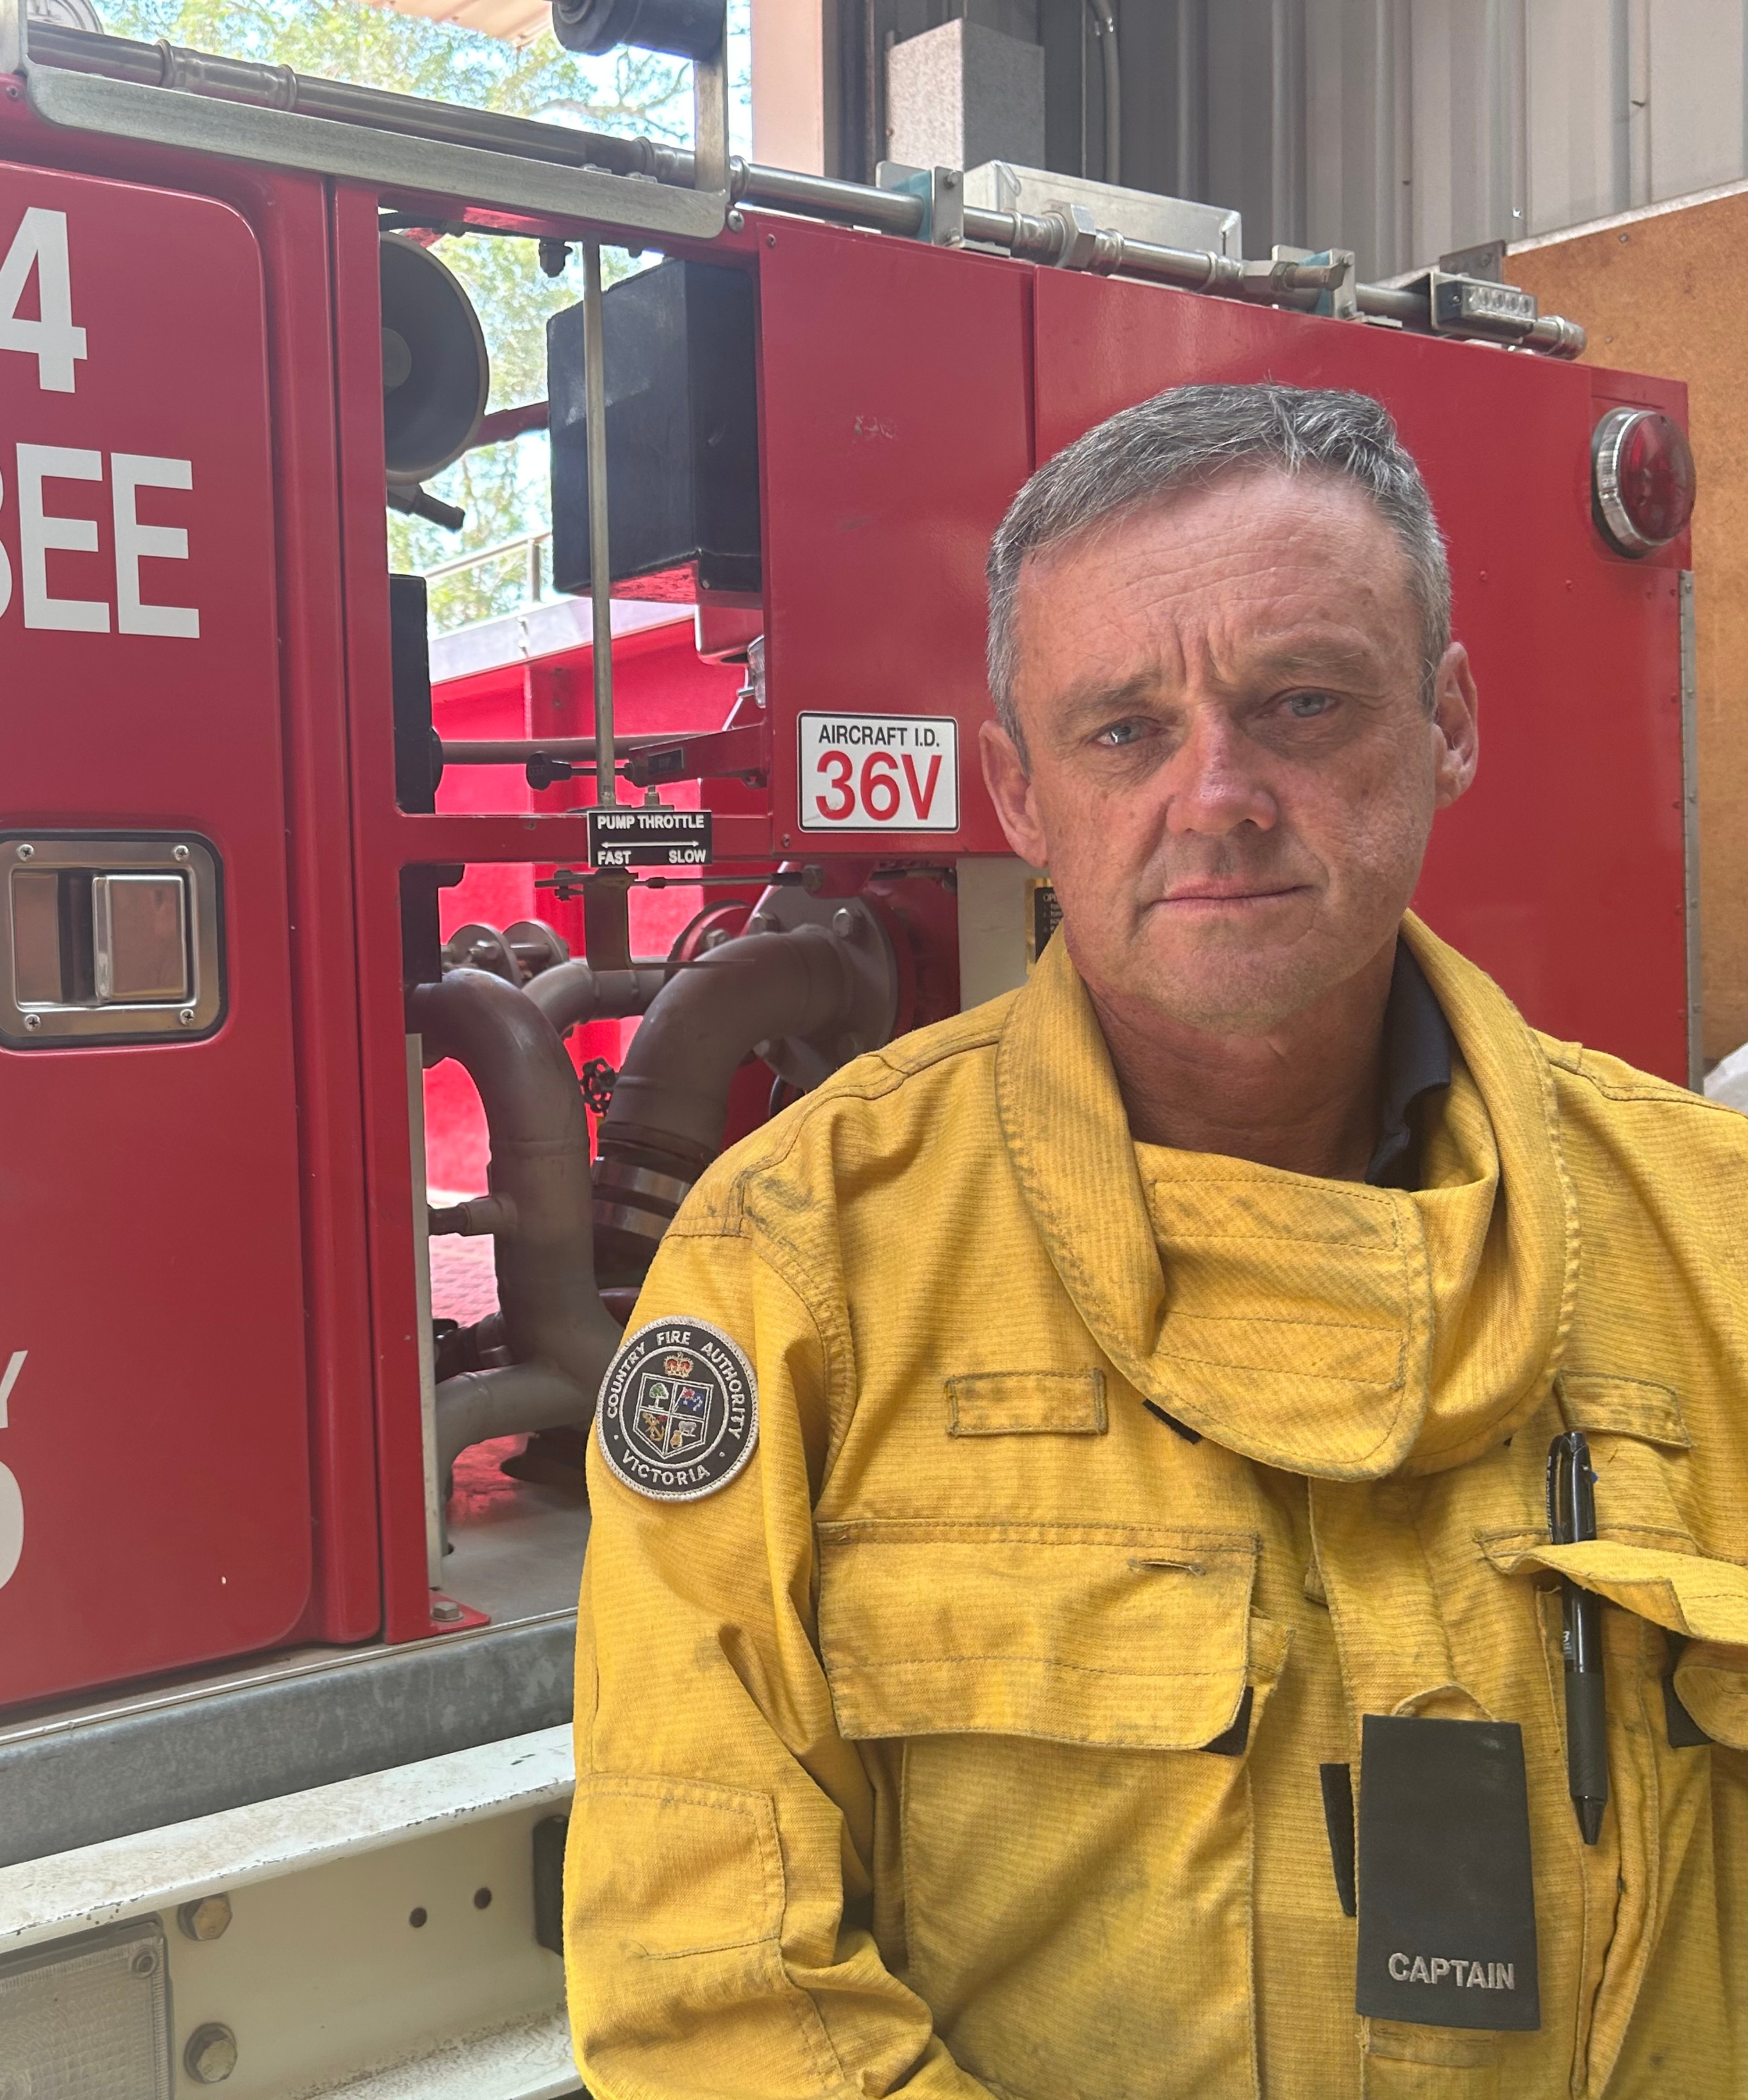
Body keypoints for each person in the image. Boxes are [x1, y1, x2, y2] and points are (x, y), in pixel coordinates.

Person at [563, 384, 1748, 2098]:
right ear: (1021, 797)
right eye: (1123, 730)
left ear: (1450, 722)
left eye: (1305, 702)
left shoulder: (1713, 1243)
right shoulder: (800, 1273)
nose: (1219, 795)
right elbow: (707, 1995)